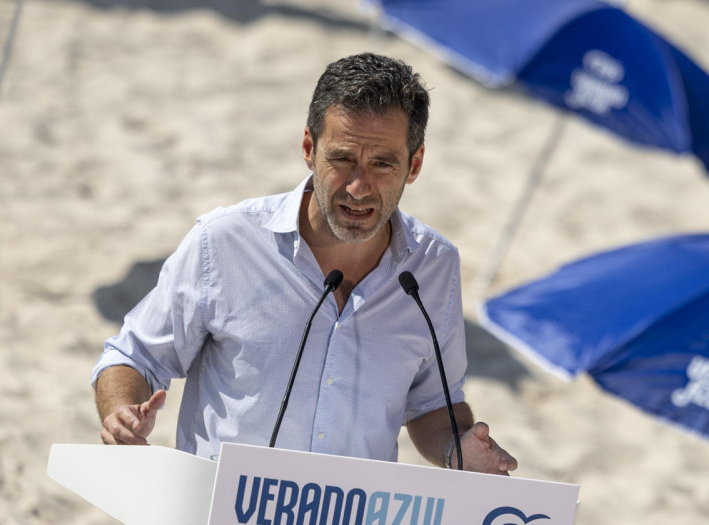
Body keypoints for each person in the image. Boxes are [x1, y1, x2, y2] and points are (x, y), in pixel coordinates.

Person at [92, 53, 517, 475]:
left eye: (382, 164)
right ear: (309, 148)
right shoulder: (222, 243)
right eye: (343, 158)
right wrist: (122, 411)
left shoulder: (435, 267)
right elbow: (135, 356)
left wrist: (458, 448)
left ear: (415, 165)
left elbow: (430, 404)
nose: (358, 186)